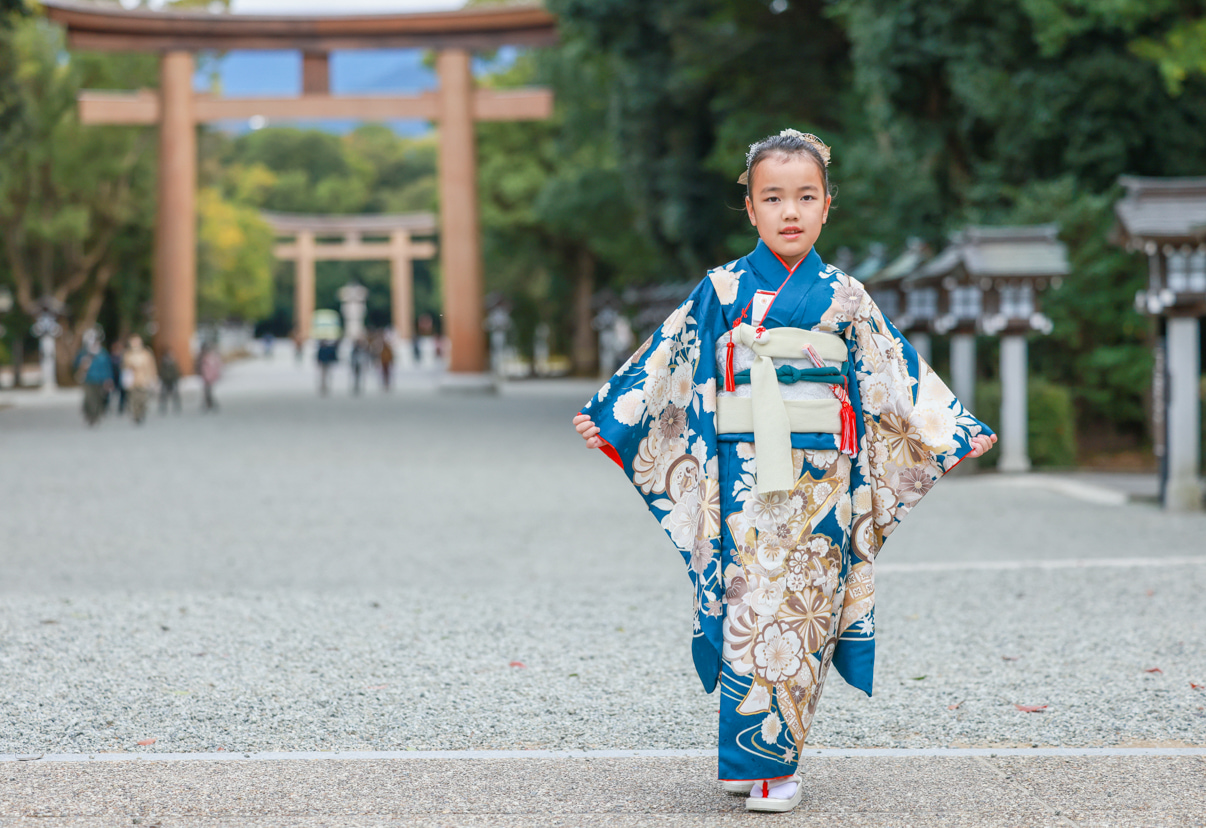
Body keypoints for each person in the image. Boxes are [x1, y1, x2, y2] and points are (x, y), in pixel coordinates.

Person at [572, 130, 997, 814]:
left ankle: (771, 763)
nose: (790, 211)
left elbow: (891, 376)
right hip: (742, 477)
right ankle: (753, 759)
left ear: (828, 205)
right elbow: (670, 359)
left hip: (820, 481)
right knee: (750, 604)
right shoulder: (722, 288)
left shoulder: (846, 296)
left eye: (805, 196)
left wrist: (949, 428)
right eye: (773, 197)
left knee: (802, 611)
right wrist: (616, 415)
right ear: (750, 208)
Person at [73, 331, 112, 427]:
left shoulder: (103, 353)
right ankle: (90, 415)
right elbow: (75, 364)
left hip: (100, 380)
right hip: (88, 380)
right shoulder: (83, 353)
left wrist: (109, 379)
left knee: (99, 398)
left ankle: (97, 415)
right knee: (89, 399)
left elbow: (107, 367)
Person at [122, 334, 157, 425]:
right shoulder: (127, 354)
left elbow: (151, 367)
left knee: (143, 399)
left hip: (144, 380)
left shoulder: (146, 354)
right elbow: (125, 368)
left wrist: (152, 378)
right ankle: (135, 415)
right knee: (133, 399)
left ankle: (141, 412)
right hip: (133, 381)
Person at [198, 343, 222, 412]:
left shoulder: (210, 358)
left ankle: (211, 405)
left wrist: (212, 377)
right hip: (205, 378)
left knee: (208, 393)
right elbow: (201, 369)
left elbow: (213, 369)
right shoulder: (202, 358)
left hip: (209, 378)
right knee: (207, 393)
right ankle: (209, 405)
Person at [159, 348, 182, 414]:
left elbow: (177, 371)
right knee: (164, 395)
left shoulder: (174, 362)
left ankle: (177, 407)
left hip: (173, 380)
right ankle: (163, 408)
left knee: (175, 395)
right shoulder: (164, 362)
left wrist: (177, 378)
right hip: (166, 380)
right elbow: (161, 372)